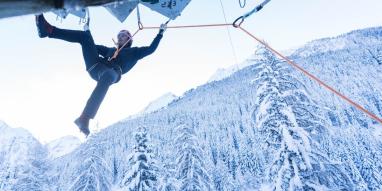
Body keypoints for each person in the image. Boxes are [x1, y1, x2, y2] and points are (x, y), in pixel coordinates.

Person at [35, 14, 167, 136]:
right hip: (96, 66)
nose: (120, 37)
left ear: (130, 39)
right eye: (119, 36)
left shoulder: (135, 52)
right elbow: (91, 46)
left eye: (124, 35)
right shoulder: (110, 50)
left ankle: (85, 118)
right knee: (84, 38)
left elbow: (151, 49)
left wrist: (160, 33)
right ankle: (49, 30)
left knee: (109, 74)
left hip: (113, 73)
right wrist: (88, 32)